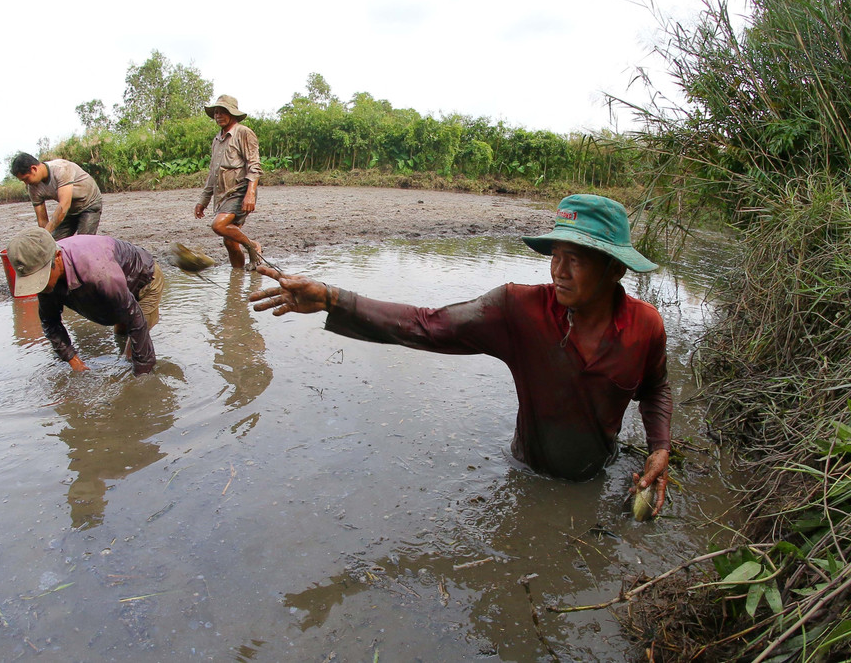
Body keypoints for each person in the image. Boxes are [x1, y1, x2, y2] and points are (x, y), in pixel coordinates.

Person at [249, 194, 673, 515]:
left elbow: (655, 388)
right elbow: (426, 324)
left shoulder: (645, 326)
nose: (558, 271)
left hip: (597, 473)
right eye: (555, 256)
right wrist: (332, 299)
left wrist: (660, 448)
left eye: (575, 260)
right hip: (527, 472)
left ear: (615, 269)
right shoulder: (518, 310)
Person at [6, 227, 164, 376]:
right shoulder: (45, 278)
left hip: (145, 281)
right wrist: (75, 362)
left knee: (131, 354)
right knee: (120, 334)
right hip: (116, 286)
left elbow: (136, 321)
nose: (40, 286)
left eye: (41, 278)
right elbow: (50, 322)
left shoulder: (99, 273)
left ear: (58, 257)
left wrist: (142, 379)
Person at [193, 95, 264, 269]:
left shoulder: (243, 133)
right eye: (216, 112)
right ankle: (237, 280)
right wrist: (203, 200)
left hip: (240, 191)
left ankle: (252, 246)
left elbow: (254, 166)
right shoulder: (217, 139)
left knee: (218, 225)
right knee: (230, 243)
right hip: (222, 194)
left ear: (233, 113)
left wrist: (250, 194)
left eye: (223, 112)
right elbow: (213, 172)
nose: (218, 115)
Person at [11, 153, 103, 241]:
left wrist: (45, 234)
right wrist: (45, 238)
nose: (26, 183)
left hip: (89, 204)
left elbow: (64, 205)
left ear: (34, 169)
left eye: (26, 179)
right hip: (70, 210)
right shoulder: (32, 188)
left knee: (82, 243)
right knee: (54, 244)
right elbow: (42, 220)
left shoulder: (61, 169)